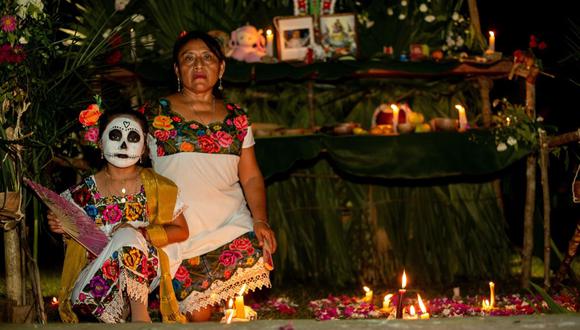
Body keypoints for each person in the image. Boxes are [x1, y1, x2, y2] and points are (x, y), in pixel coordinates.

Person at [146, 30, 277, 321]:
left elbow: (252, 177)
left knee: (216, 311)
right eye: (188, 59)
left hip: (228, 225)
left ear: (221, 68)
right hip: (178, 231)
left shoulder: (237, 117)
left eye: (207, 58)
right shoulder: (153, 114)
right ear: (177, 70)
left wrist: (260, 219)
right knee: (198, 317)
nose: (198, 66)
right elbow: (128, 165)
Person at [47, 108, 189, 323]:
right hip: (99, 280)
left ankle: (140, 318)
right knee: (82, 295)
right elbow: (75, 243)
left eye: (132, 138)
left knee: (126, 237)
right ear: (100, 144)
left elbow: (181, 230)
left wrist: (140, 232)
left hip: (147, 268)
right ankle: (119, 315)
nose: (124, 145)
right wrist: (60, 227)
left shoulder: (160, 187)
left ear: (143, 148)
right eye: (115, 136)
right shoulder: (80, 195)